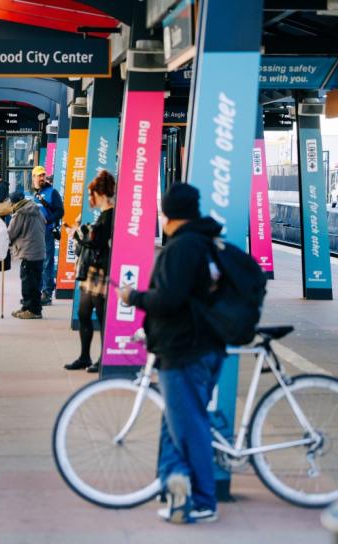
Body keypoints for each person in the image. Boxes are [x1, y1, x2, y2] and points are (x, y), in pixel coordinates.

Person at [120, 183, 226, 524]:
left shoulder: (182, 248)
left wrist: (133, 297)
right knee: (176, 423)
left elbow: (168, 300)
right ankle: (175, 484)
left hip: (185, 350)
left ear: (167, 215)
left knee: (189, 426)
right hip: (204, 347)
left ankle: (203, 502)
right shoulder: (206, 242)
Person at [65, 171, 116, 373]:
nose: (89, 199)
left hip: (101, 271)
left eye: (91, 194)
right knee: (84, 313)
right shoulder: (105, 215)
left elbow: (96, 241)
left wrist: (78, 234)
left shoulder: (109, 215)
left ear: (100, 194)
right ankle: (85, 356)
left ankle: (103, 359)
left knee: (102, 316)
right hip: (93, 270)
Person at [7, 188, 46, 319]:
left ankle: (34, 311)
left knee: (29, 283)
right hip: (38, 251)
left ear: (15, 202)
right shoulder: (35, 209)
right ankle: (26, 307)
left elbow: (11, 233)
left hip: (29, 252)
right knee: (33, 281)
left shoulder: (21, 213)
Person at [31, 165, 64, 306]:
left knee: (47, 262)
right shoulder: (34, 194)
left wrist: (48, 220)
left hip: (47, 232)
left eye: (43, 175)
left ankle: (47, 293)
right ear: (33, 178)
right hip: (34, 234)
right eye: (39, 175)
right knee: (37, 263)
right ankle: (37, 292)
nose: (41, 178)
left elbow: (60, 211)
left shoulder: (52, 192)